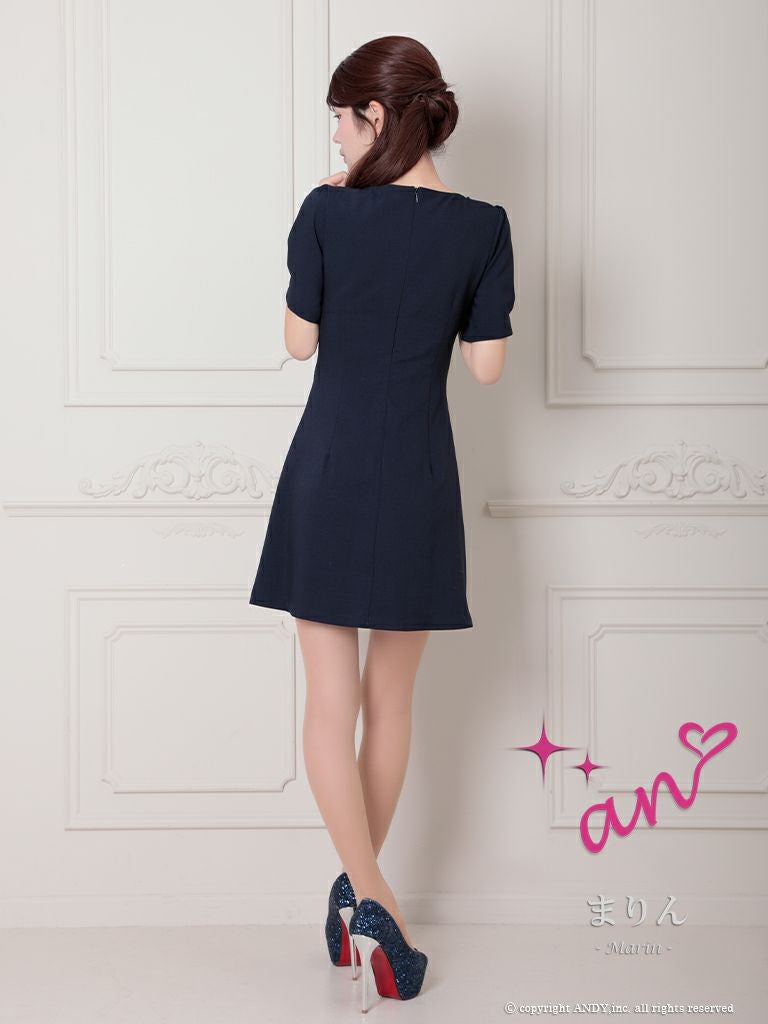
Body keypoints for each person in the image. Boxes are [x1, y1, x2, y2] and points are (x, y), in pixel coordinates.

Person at [249, 34, 515, 1011]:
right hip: (418, 477)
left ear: (375, 115)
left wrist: (333, 220)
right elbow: (486, 366)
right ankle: (365, 895)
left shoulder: (325, 210)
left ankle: (373, 906)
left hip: (327, 472)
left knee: (330, 701)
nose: (334, 134)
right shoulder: (483, 226)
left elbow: (298, 343)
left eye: (341, 116)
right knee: (390, 703)